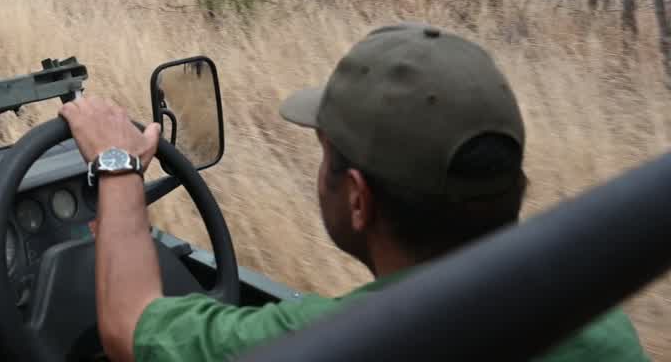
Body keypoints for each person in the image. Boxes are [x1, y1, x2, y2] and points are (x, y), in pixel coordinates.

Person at [61, 22, 649, 362]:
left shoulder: (329, 342)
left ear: (360, 200)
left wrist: (117, 167)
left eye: (324, 155)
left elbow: (128, 323)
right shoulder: (605, 330)